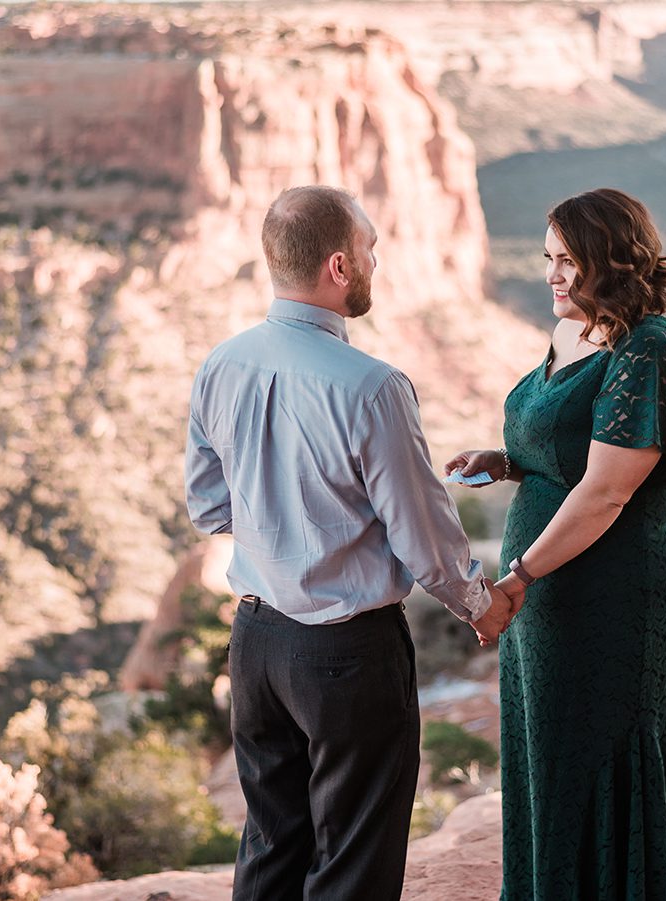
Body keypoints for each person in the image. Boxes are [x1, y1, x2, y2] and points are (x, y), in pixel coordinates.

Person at [185, 185, 524, 901]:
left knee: (273, 840)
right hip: (347, 652)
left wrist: (284, 526)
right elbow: (422, 528)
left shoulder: (221, 363)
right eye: (370, 249)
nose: (377, 260)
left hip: (256, 643)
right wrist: (479, 603)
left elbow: (208, 504)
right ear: (339, 267)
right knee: (355, 859)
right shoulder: (372, 386)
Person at [446, 188, 666, 901]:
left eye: (568, 260)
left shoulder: (646, 350)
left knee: (602, 759)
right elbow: (566, 444)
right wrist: (507, 461)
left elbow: (606, 491)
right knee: (550, 761)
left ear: (613, 261)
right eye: (547, 259)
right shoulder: (576, 333)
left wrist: (517, 577)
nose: (552, 276)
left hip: (612, 597)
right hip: (547, 601)